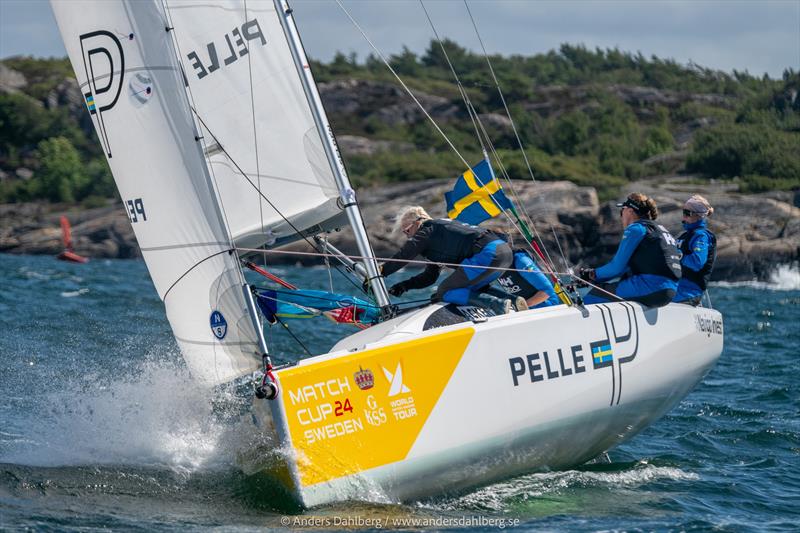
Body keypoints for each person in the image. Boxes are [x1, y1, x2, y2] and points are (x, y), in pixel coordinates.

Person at [380, 206, 518, 314]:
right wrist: (404, 286)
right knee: (473, 287)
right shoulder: (438, 234)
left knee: (444, 292)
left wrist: (381, 271)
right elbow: (430, 277)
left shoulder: (427, 229)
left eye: (407, 231)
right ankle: (515, 302)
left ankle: (497, 305)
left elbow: (405, 254)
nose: (408, 236)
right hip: (503, 251)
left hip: (487, 253)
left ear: (417, 222)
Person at [580, 193, 681, 307]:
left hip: (650, 286)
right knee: (612, 287)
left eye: (621, 210)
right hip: (670, 291)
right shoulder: (661, 231)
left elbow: (616, 268)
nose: (621, 215)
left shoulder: (636, 229)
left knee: (588, 296)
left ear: (630, 210)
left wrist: (592, 274)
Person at [673, 195, 716, 306]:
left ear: (698, 216)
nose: (683, 218)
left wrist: (678, 256)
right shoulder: (683, 236)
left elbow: (697, 262)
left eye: (687, 213)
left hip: (688, 292)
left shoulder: (701, 236)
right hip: (674, 288)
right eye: (684, 213)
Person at [482, 248, 561, 309]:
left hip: (546, 307)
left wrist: (522, 306)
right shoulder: (491, 265)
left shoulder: (520, 260)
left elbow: (547, 291)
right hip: (524, 310)